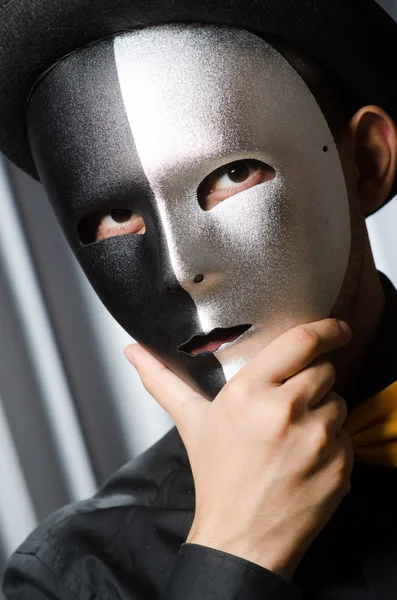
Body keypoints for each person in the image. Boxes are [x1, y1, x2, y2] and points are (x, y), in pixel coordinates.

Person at [0, 1, 396, 598]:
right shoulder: (69, 579)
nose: (180, 271)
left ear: (365, 163)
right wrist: (235, 553)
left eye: (232, 176)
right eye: (114, 215)